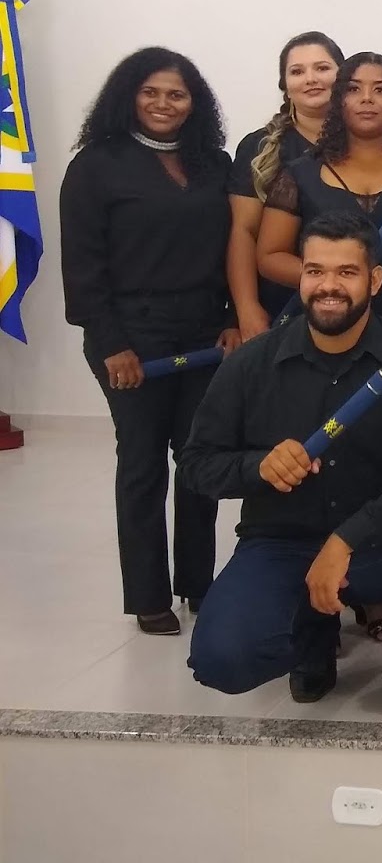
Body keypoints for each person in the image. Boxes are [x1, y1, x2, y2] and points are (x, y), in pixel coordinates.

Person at [179, 213, 382, 746]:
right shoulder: (252, 363)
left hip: (377, 544)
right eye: (315, 271)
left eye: (347, 272)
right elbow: (196, 464)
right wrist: (257, 467)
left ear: (375, 280)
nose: (328, 286)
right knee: (221, 661)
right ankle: (311, 635)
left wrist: (347, 538)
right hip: (281, 544)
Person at [60, 47, 239, 636]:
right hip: (130, 338)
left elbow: (233, 251)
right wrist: (112, 344)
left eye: (176, 94)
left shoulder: (213, 163)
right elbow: (83, 266)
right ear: (129, 96)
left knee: (198, 460)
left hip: (206, 334)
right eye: (151, 92)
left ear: (194, 102)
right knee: (142, 463)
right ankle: (147, 596)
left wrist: (233, 317)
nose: (164, 104)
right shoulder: (96, 166)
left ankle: (199, 584)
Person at [257, 52, 382, 342]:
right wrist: (336, 279)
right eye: (354, 89)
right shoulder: (300, 173)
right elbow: (269, 257)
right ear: (339, 100)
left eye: (380, 90)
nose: (367, 99)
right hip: (325, 329)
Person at [227, 31, 344, 340]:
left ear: (343, 76)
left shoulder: (367, 142)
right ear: (285, 85)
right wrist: (247, 308)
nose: (311, 79)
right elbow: (244, 232)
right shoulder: (260, 147)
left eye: (322, 68)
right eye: (297, 71)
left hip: (352, 301)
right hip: (281, 307)